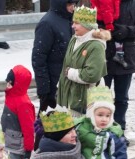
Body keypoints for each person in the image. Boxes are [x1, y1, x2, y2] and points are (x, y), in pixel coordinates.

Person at [101, 0, 135, 144]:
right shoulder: (101, 2)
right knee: (102, 98)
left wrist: (126, 31)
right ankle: (102, 131)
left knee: (122, 99)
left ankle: (119, 131)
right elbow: (91, 25)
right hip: (104, 58)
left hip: (125, 59)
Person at [31, 0, 78, 147]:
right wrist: (44, 88)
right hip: (53, 87)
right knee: (48, 129)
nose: (73, 7)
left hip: (68, 84)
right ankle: (40, 156)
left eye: (75, 4)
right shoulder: (47, 23)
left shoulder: (71, 20)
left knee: (65, 129)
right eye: (70, 4)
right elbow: (38, 58)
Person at [56, 5, 111, 116]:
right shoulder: (74, 39)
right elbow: (66, 65)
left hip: (86, 101)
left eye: (76, 23)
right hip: (70, 97)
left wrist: (70, 73)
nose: (73, 26)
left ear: (87, 25)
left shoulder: (96, 46)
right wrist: (60, 86)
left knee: (81, 131)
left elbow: (92, 75)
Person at [0, 65, 45, 159]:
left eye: (10, 82)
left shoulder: (22, 102)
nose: (7, 84)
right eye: (7, 81)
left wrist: (28, 147)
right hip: (12, 138)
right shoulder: (12, 96)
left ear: (17, 84)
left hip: (18, 141)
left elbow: (29, 127)